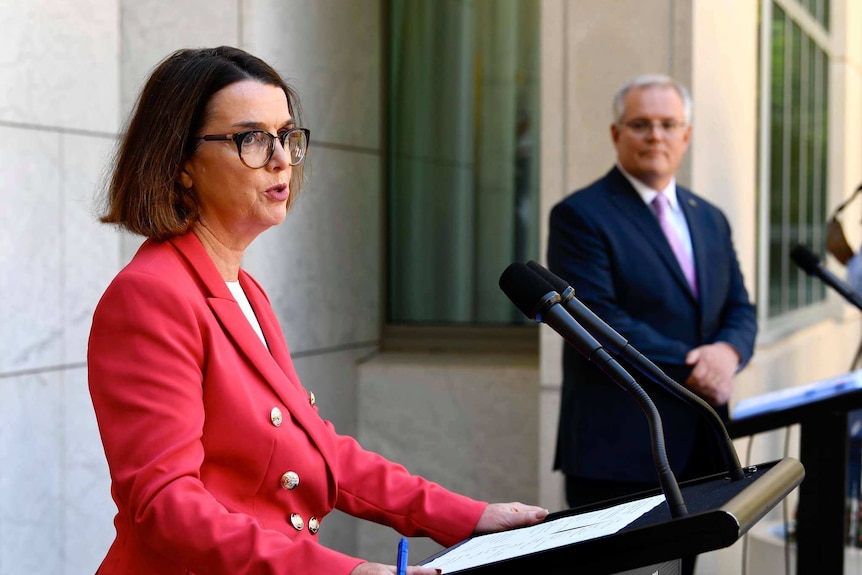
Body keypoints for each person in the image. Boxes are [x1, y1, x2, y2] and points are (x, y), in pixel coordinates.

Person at [88, 46, 547, 575]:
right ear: (181, 164)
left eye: (285, 134)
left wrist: (469, 517)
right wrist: (344, 572)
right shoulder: (151, 295)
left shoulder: (241, 289)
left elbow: (313, 446)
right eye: (252, 139)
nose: (281, 157)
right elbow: (165, 505)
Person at [547, 74, 757, 512]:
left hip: (702, 442)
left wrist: (729, 354)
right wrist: (696, 364)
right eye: (641, 124)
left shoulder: (710, 218)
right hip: (620, 452)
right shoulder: (580, 215)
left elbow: (740, 307)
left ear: (687, 134)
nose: (655, 135)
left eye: (668, 123)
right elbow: (596, 319)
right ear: (615, 133)